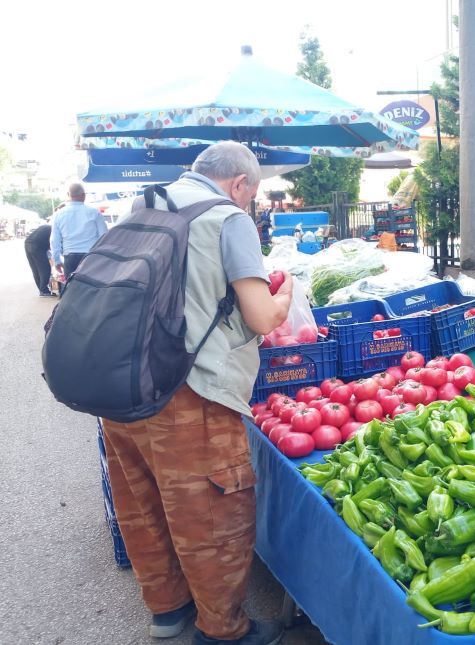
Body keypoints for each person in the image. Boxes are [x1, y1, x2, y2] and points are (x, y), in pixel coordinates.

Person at [100, 142, 294, 645]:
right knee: (209, 518)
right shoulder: (227, 218)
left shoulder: (144, 203)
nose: (249, 204)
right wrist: (286, 298)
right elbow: (260, 316)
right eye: (250, 196)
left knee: (142, 503)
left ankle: (166, 611)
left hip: (119, 386)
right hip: (189, 395)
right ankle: (224, 631)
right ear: (240, 184)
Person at [50, 183, 107, 278]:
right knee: (91, 288)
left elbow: (54, 240)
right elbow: (104, 236)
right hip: (90, 256)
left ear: (68, 195)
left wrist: (57, 260)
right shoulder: (94, 213)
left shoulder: (58, 215)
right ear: (84, 195)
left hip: (70, 257)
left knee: (71, 289)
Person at [24, 223, 53, 296]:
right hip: (37, 246)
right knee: (45, 269)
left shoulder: (47, 227)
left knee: (36, 269)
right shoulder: (54, 231)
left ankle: (42, 290)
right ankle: (44, 291)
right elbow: (54, 246)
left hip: (27, 244)